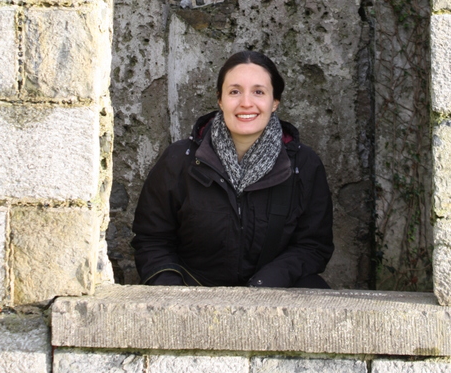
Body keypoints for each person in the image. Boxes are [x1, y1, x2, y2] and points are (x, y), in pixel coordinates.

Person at [132, 50, 334, 288]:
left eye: (258, 92)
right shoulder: (179, 160)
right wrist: (175, 293)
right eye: (234, 92)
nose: (246, 103)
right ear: (220, 100)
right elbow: (152, 240)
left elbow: (313, 246)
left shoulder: (304, 165)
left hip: (274, 293)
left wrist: (266, 284)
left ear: (275, 102)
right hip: (193, 294)